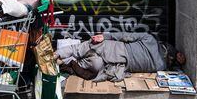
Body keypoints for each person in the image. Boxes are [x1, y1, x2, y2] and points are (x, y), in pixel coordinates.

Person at [55, 32, 186, 82]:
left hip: (116, 64)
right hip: (113, 49)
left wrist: (176, 58)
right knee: (81, 49)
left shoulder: (162, 66)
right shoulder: (149, 39)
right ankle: (56, 55)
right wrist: (104, 36)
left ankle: (63, 61)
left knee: (91, 63)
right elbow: (125, 35)